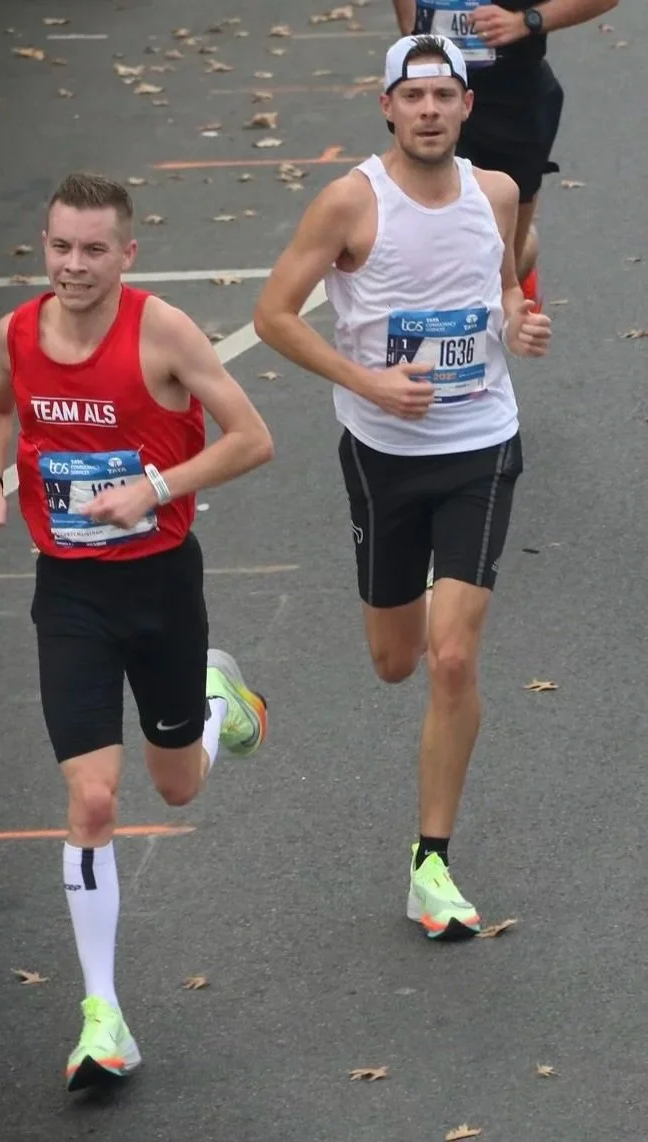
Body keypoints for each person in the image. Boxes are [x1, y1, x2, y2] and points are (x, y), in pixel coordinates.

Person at [0, 173, 273, 1090]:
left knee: (176, 786)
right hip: (69, 591)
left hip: (161, 588)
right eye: (60, 246)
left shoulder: (163, 332)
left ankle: (217, 703)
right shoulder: (16, 334)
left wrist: (155, 486)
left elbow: (253, 438)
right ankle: (102, 1015)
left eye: (93, 249)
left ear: (127, 254)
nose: (73, 265)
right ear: (45, 245)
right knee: (96, 801)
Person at [254, 35, 551, 939]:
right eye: (412, 96)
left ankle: (432, 864)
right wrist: (367, 382)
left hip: (480, 444)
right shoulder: (350, 202)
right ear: (386, 106)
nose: (428, 110)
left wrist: (518, 320)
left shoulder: (496, 192)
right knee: (396, 661)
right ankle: (420, 596)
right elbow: (272, 315)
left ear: (466, 106)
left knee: (453, 657)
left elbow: (504, 283)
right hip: (382, 452)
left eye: (443, 95)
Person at [391, 0, 618, 308]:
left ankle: (521, 269)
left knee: (503, 260)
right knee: (435, 236)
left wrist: (527, 21)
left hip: (515, 100)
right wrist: (411, 28)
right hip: (437, 98)